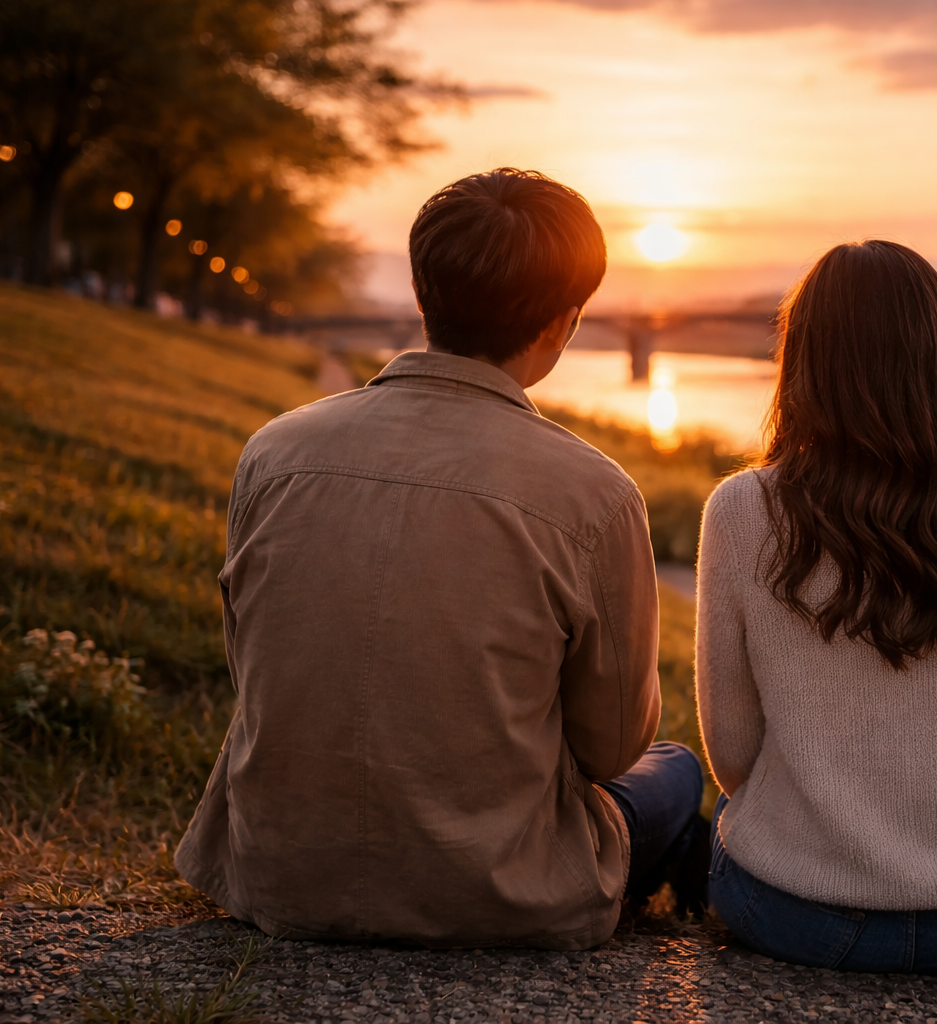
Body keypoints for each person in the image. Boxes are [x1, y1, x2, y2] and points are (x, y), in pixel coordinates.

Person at [176, 168, 706, 950]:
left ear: (425, 296)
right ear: (565, 323)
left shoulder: (274, 453)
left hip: (277, 876)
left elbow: (258, 666)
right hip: (498, 894)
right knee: (676, 770)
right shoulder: (595, 496)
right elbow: (608, 749)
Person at [695, 239, 937, 975]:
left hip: (797, 913)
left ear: (802, 361)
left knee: (682, 810)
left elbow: (731, 753)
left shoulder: (742, 510)